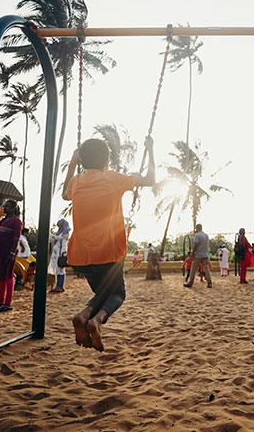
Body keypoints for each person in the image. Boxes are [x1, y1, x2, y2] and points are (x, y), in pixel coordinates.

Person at [63, 136, 155, 351]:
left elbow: (64, 194)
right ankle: (94, 320)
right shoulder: (113, 179)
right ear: (107, 161)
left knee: (103, 294)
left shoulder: (76, 182)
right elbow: (150, 180)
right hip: (108, 253)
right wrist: (150, 149)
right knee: (117, 294)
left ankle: (85, 315)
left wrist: (72, 163)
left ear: (82, 160)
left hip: (80, 256)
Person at [0, 199, 22, 312]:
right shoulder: (3, 221)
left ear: (13, 208)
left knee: (8, 275)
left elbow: (16, 238)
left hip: (8, 252)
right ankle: (0, 301)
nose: (5, 208)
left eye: (7, 206)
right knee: (1, 276)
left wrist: (12, 253)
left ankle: (7, 303)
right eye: (4, 206)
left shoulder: (16, 221)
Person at [184, 223, 212, 288]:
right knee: (206, 269)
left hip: (198, 255)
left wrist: (193, 253)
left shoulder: (197, 235)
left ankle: (190, 283)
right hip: (205, 254)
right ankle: (209, 283)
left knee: (193, 269)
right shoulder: (206, 235)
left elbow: (196, 244)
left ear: (197, 228)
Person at [49, 219, 71, 293]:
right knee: (58, 270)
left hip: (61, 253)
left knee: (61, 270)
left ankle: (60, 286)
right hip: (57, 253)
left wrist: (50, 235)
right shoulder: (59, 233)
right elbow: (54, 240)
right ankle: (58, 286)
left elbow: (58, 238)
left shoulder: (65, 233)